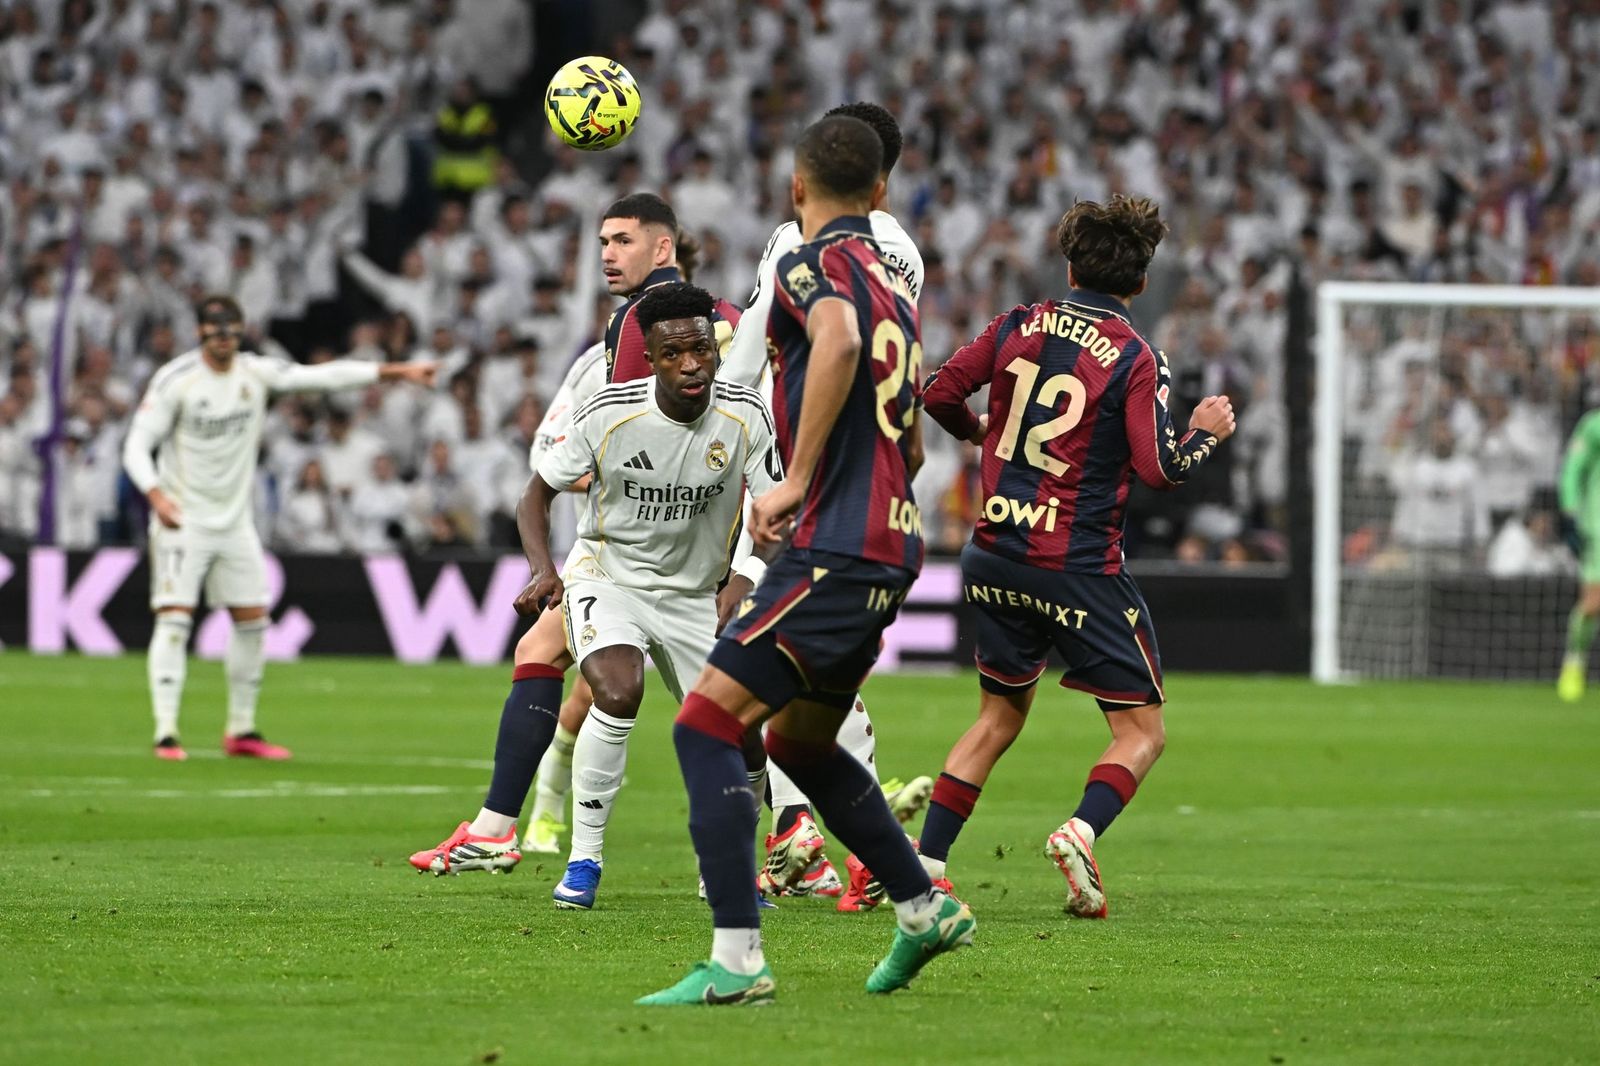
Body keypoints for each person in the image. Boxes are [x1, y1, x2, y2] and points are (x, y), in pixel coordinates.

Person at [639, 115, 972, 1008]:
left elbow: (837, 344)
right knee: (801, 739)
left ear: (795, 191)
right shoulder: (893, 279)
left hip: (836, 539)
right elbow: (906, 424)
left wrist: (796, 484)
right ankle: (920, 905)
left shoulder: (804, 260)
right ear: (880, 193)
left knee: (706, 725)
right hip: (893, 536)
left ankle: (738, 960)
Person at [410, 283, 782, 915]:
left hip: (696, 595)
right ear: (653, 359)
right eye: (673, 354)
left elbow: (776, 511)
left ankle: (727, 868)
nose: (691, 364)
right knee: (616, 687)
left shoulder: (747, 414)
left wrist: (745, 577)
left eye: (701, 350)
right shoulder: (608, 414)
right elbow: (535, 493)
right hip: (610, 580)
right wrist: (542, 568)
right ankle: (583, 862)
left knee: (742, 734)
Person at [917, 195, 1236, 918]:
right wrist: (1206, 432)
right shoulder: (1133, 354)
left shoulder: (1015, 324)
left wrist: (976, 435)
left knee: (997, 717)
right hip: (1076, 567)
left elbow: (938, 392)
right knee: (1141, 730)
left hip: (993, 553)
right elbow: (1160, 469)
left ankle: (927, 863)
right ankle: (1081, 831)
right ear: (1142, 282)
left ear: (1068, 265)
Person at [720, 100, 933, 908]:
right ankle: (853, 853)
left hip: (805, 482)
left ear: (803, 180)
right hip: (877, 490)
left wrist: (780, 474)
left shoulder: (804, 246)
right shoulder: (902, 255)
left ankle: (783, 860)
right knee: (812, 683)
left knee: (733, 687)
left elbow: (758, 364)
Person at [122, 295, 436, 761]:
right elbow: (136, 445)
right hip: (183, 520)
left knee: (253, 623)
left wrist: (396, 372)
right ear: (199, 332)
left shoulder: (255, 373)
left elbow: (322, 377)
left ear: (241, 330)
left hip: (234, 523)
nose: (223, 337)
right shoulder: (176, 381)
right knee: (174, 620)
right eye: (215, 329)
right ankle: (166, 732)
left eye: (231, 329)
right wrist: (155, 494)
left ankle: (241, 730)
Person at [1558, 411, 1600, 701]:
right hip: (1598, 525)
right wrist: (1570, 511)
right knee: (1593, 602)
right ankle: (1574, 662)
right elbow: (1573, 468)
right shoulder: (1594, 425)